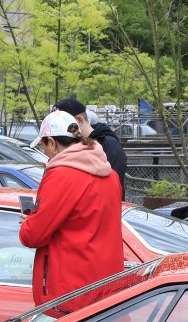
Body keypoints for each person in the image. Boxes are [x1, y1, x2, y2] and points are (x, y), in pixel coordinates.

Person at [19, 110, 123, 309]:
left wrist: (29, 222)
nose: (44, 151)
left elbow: (32, 235)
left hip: (68, 290)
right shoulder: (110, 175)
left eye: (43, 145)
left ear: (52, 142)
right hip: (107, 285)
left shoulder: (61, 175)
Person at [54, 96, 127, 196]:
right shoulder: (69, 145)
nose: (57, 130)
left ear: (79, 120)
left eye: (61, 124)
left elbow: (112, 188)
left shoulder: (110, 145)